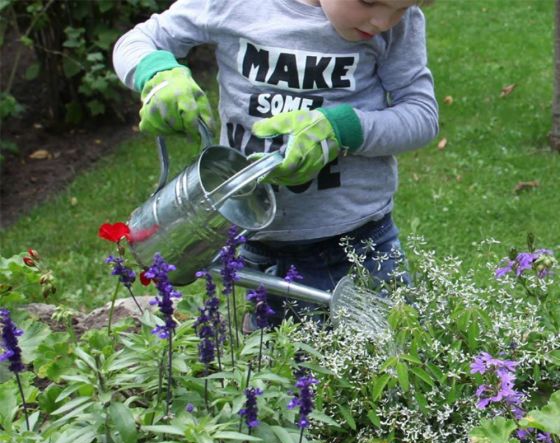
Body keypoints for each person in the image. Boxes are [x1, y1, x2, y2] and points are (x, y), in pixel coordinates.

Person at [113, 0, 438, 328]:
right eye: (368, 1)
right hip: (259, 246)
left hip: (360, 244)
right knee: (276, 371)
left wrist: (344, 128)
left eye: (400, 7)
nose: (383, 21)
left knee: (392, 364)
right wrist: (158, 74)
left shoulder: (400, 24)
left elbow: (421, 113)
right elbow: (137, 41)